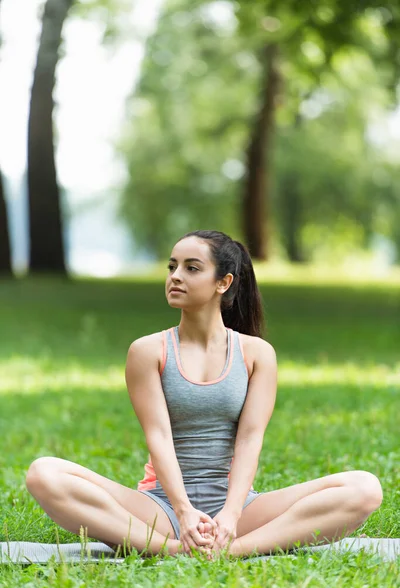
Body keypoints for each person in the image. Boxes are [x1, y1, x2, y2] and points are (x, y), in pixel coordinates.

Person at [25, 230, 383, 560]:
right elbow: (158, 436)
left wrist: (231, 514)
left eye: (191, 268)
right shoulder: (148, 351)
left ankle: (231, 550)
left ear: (223, 283)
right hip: (161, 508)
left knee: (365, 488)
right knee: (44, 474)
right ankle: (176, 550)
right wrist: (182, 511)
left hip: (238, 509)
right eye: (172, 266)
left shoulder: (257, 354)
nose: (175, 276)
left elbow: (249, 439)